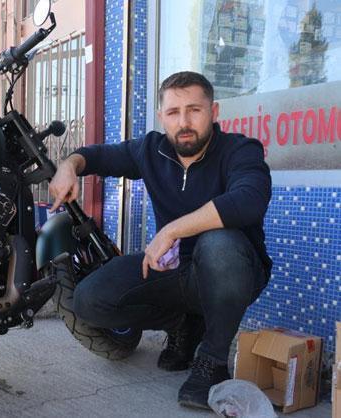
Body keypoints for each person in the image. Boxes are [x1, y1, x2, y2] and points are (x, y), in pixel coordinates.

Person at [48, 71, 272, 409]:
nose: (184, 122)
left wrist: (171, 230)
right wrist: (69, 165)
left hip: (232, 272)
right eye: (173, 112)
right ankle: (184, 324)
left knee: (219, 244)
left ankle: (212, 360)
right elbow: (97, 156)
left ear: (214, 112)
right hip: (176, 270)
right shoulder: (150, 150)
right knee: (89, 300)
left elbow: (249, 200)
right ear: (161, 117)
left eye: (194, 110)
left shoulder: (240, 150)